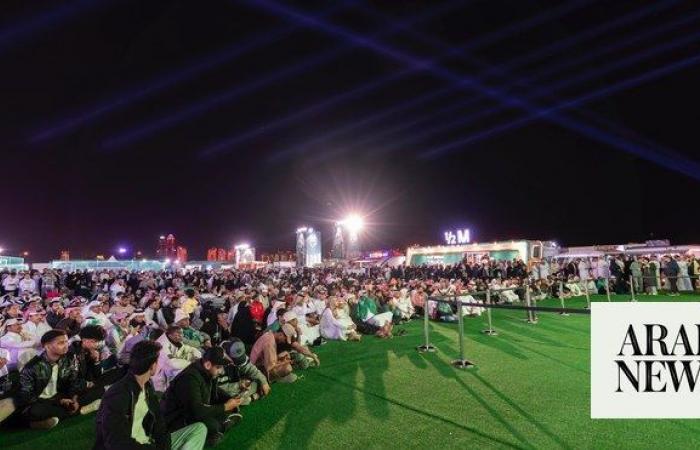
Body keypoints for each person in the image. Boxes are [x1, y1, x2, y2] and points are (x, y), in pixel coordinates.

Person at [93, 340, 207, 450]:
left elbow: (158, 421)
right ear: (152, 366)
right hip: (134, 447)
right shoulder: (119, 394)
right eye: (158, 361)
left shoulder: (147, 386)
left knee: (199, 429)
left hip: (148, 442)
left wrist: (164, 445)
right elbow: (116, 442)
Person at [16, 329, 101, 429]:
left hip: (61, 396)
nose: (66, 345)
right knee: (36, 411)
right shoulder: (32, 367)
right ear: (47, 346)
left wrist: (73, 399)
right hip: (41, 402)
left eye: (66, 342)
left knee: (98, 390)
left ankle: (66, 412)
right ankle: (79, 410)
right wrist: (59, 401)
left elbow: (72, 382)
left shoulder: (68, 360)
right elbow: (26, 396)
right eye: (61, 343)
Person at [161, 347, 242, 447]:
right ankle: (218, 428)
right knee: (212, 425)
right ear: (208, 365)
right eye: (218, 367)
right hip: (175, 420)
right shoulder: (189, 378)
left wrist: (229, 399)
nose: (221, 371)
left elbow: (214, 393)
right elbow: (196, 411)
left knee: (221, 412)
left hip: (193, 411)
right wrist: (225, 407)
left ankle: (222, 425)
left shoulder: (207, 373)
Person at [218, 338, 270, 405]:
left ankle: (249, 397)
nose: (238, 362)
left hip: (239, 384)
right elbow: (220, 388)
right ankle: (251, 397)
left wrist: (264, 382)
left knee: (259, 379)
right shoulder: (218, 362)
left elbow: (251, 369)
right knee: (230, 397)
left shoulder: (237, 352)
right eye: (235, 360)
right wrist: (239, 385)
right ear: (226, 354)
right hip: (227, 389)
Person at [153, 326, 202, 392]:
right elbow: (172, 364)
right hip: (159, 378)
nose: (181, 336)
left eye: (181, 333)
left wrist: (196, 356)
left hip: (168, 374)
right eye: (178, 334)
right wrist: (190, 362)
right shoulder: (162, 345)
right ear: (170, 335)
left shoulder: (175, 341)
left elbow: (188, 349)